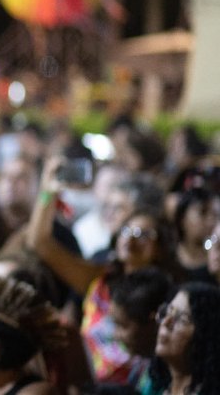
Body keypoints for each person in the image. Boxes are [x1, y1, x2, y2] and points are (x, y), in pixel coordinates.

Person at [27, 156, 180, 385]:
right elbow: (39, 243)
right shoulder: (100, 278)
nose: (131, 239)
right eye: (127, 231)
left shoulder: (172, 294)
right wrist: (48, 191)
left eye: (142, 234)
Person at [144, 282, 220, 394]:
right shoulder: (154, 385)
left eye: (181, 319)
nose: (165, 322)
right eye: (167, 312)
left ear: (206, 336)